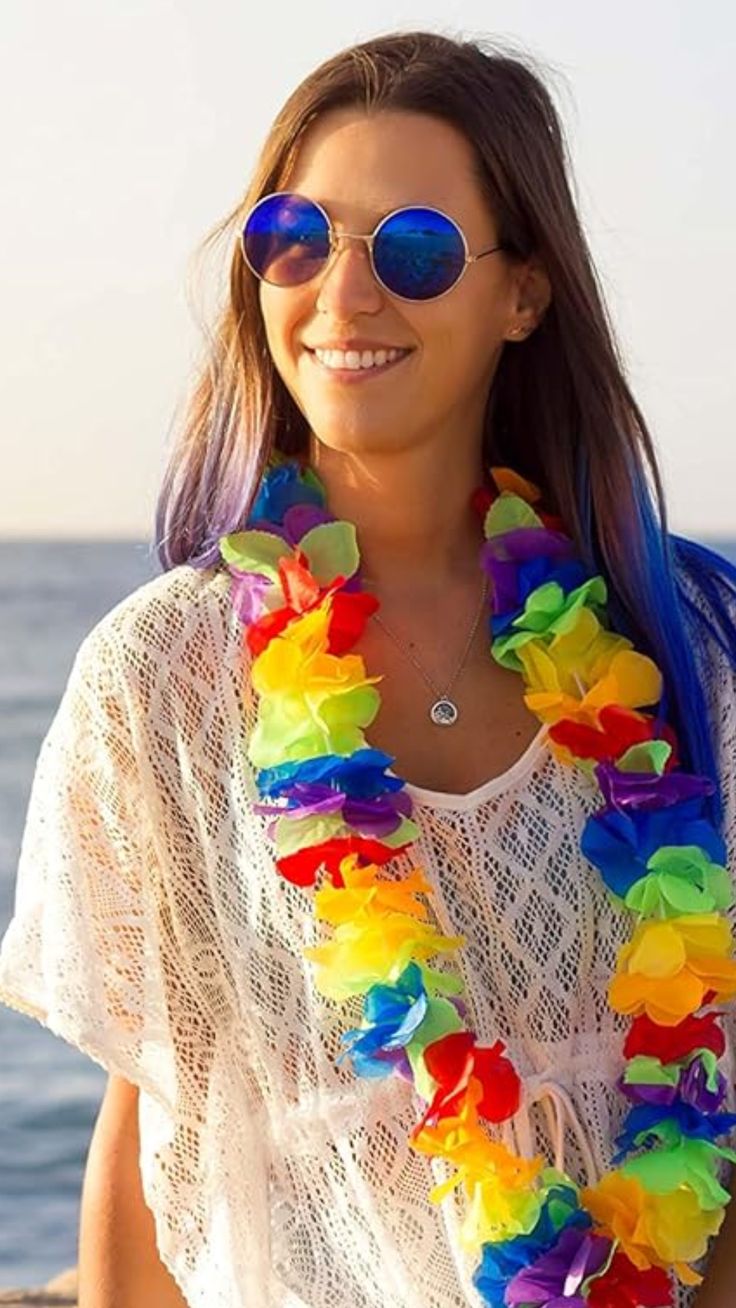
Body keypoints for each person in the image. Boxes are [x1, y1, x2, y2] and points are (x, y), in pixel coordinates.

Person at [1, 28, 735, 1308]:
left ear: (524, 293)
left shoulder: (681, 636)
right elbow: (153, 1138)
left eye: (412, 250)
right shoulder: (162, 677)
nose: (342, 296)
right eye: (297, 236)